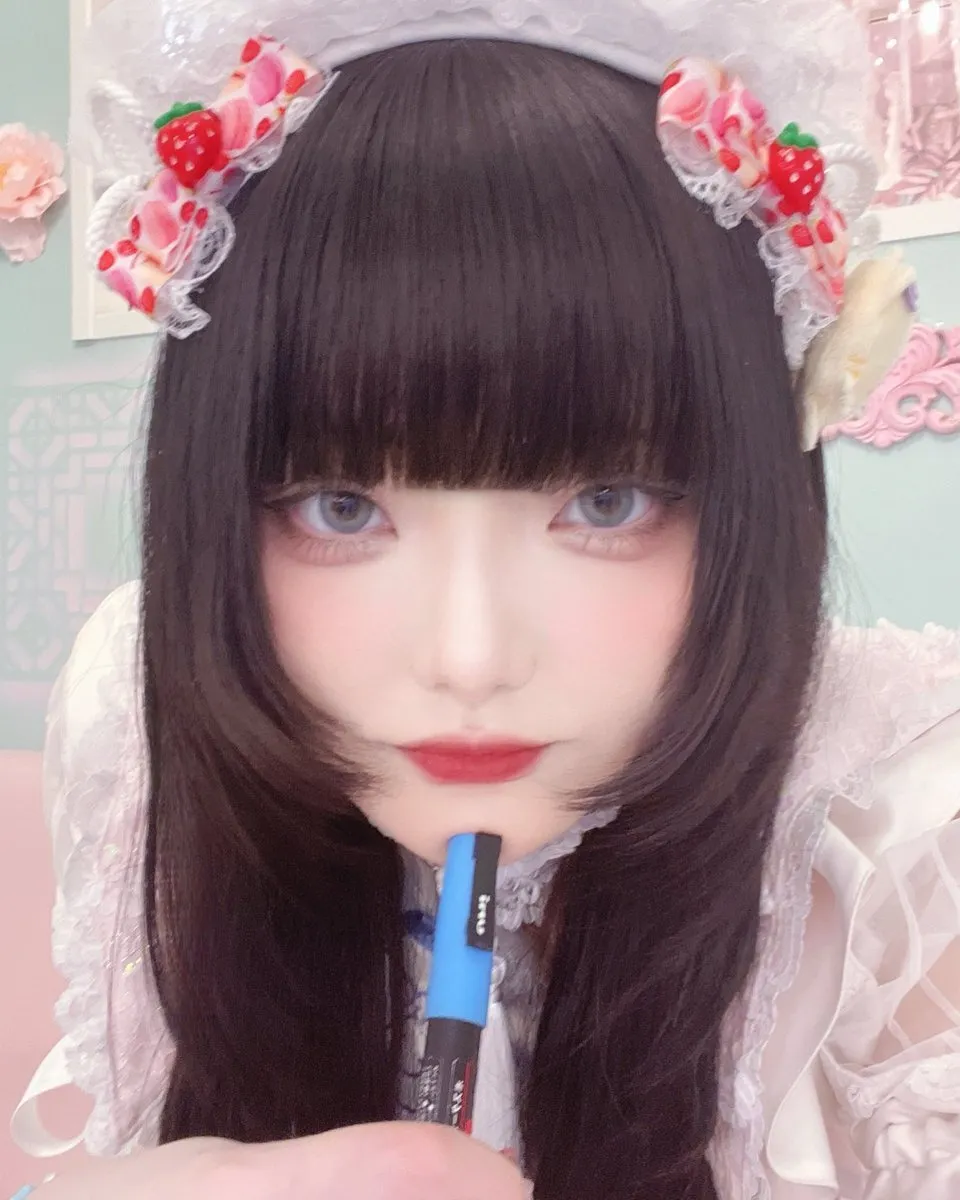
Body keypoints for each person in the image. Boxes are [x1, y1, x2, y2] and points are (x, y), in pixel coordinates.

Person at [9, 0, 960, 1197]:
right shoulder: (140, 730)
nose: (468, 658)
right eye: (339, 508)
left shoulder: (901, 823)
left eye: (607, 502)